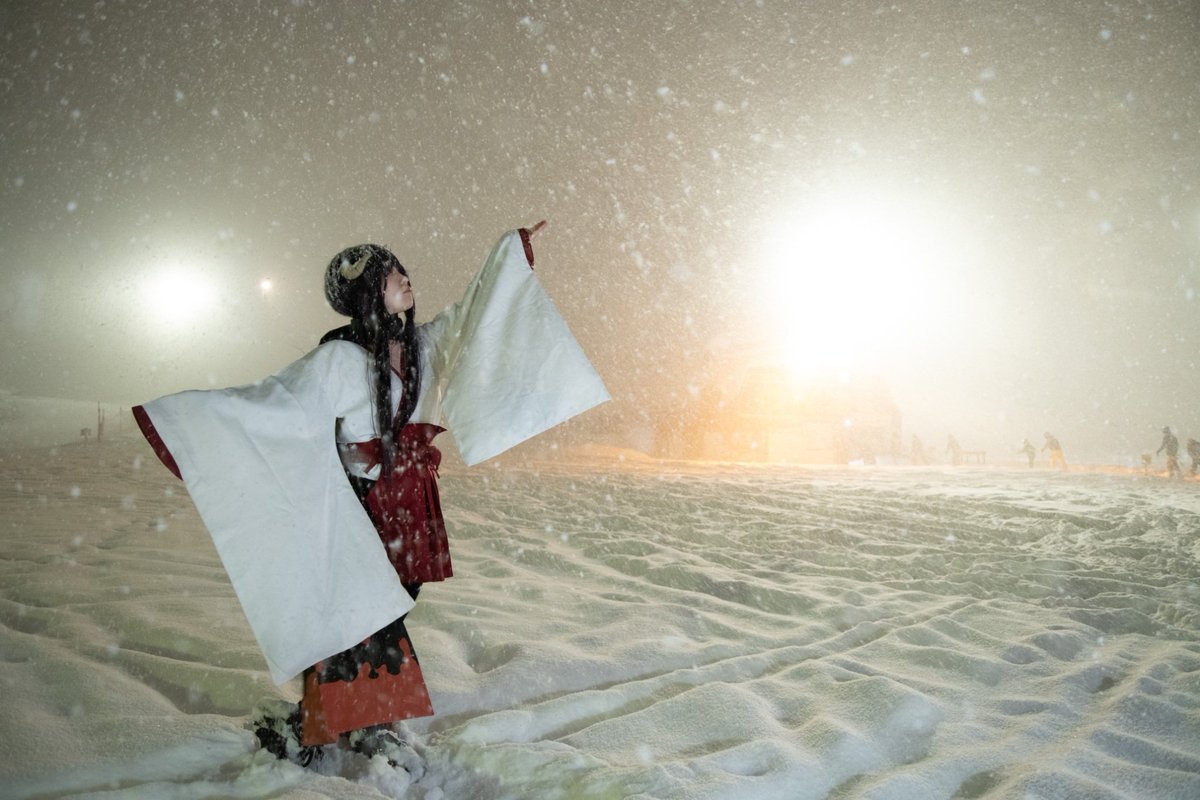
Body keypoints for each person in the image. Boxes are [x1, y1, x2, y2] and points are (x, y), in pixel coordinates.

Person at [131, 224, 608, 766]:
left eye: (400, 268)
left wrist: (511, 254)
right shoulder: (337, 359)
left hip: (413, 499)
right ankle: (347, 719)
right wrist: (188, 427)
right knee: (361, 613)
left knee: (392, 605)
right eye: (389, 274)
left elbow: (473, 315)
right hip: (364, 503)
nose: (405, 277)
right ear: (366, 294)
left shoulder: (424, 345)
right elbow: (274, 403)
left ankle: (349, 717)